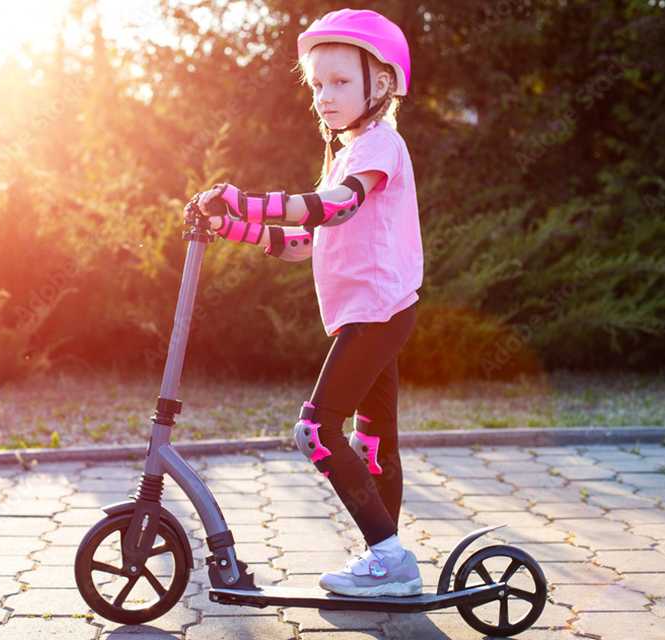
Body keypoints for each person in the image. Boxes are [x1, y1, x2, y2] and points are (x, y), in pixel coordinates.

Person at [188, 8, 423, 598]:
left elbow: (334, 206)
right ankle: (387, 562)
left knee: (315, 431)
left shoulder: (381, 146)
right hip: (372, 312)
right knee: (373, 444)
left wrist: (246, 200)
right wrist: (231, 226)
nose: (325, 96)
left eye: (340, 82)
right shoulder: (350, 152)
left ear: (381, 84)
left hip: (377, 312)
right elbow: (303, 241)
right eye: (317, 84)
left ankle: (390, 559)